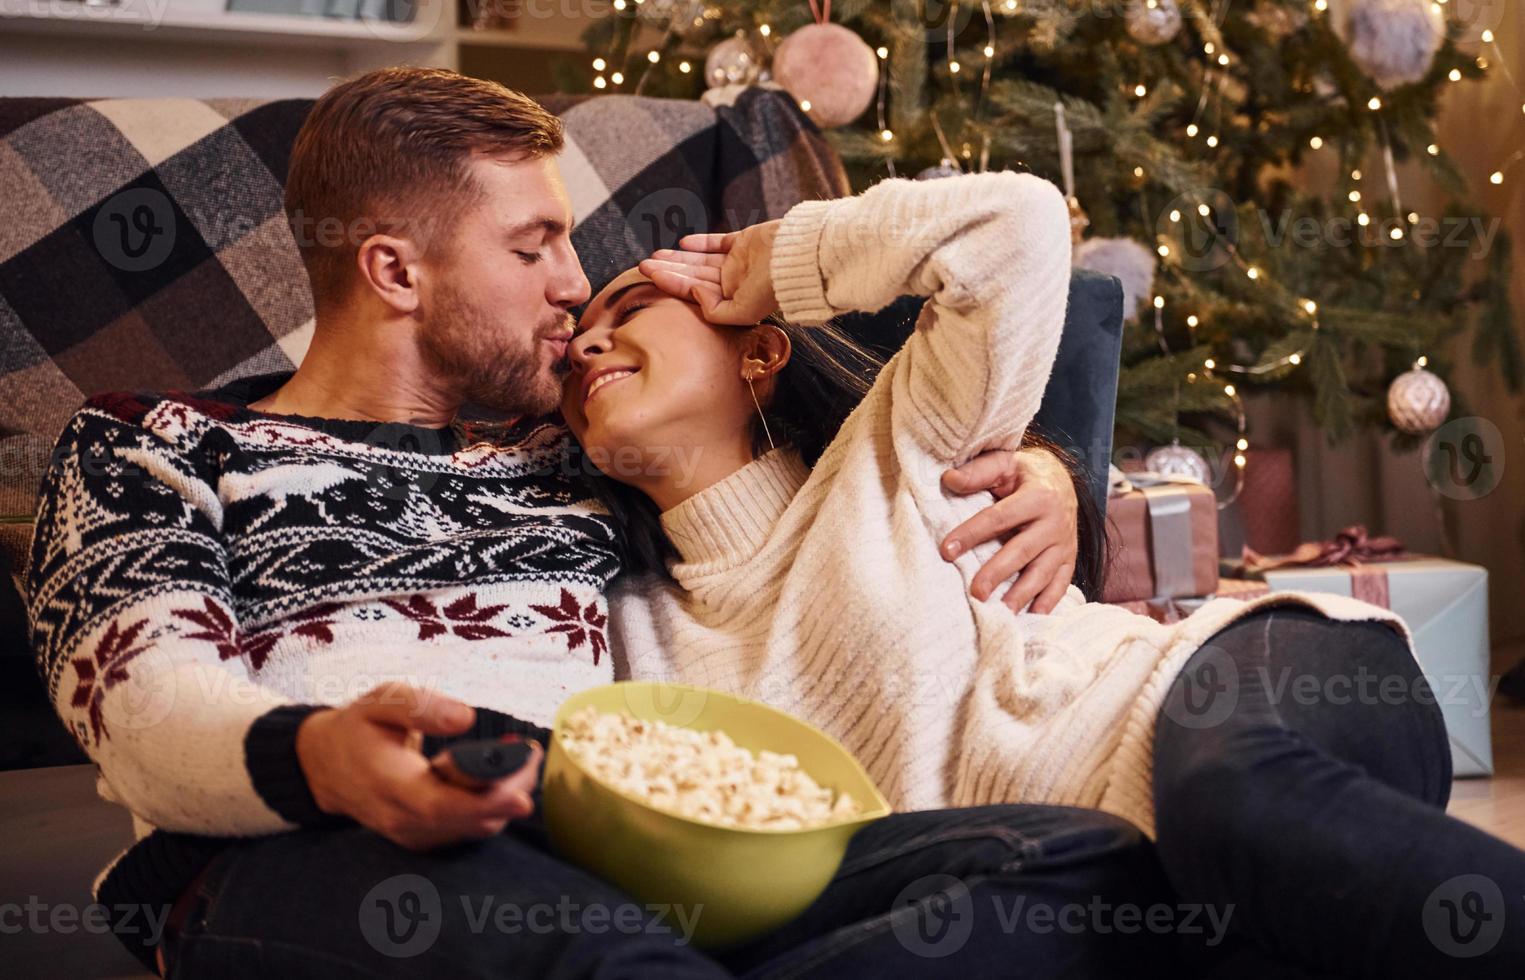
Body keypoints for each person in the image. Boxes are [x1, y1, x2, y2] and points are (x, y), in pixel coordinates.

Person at [24, 67, 1184, 977]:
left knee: (1080, 863)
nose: (576, 287)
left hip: (611, 847)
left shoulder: (574, 451)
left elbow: (974, 317)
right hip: (304, 850)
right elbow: (141, 701)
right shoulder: (152, 443)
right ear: (391, 271)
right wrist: (319, 753)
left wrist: (1054, 466)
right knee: (603, 954)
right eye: (532, 249)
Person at [563, 170, 1525, 976]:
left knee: (1234, 800)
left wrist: (780, 261)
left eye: (632, 307)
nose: (588, 345)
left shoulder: (900, 444)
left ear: (760, 349)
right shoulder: (628, 631)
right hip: (1109, 880)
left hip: (1235, 696)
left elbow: (1013, 225)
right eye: (571, 350)